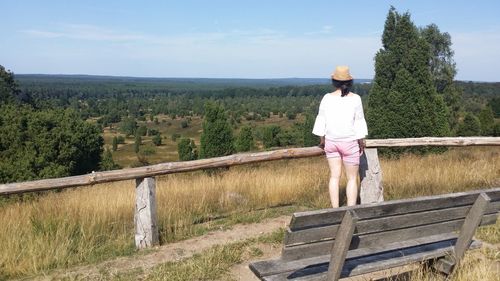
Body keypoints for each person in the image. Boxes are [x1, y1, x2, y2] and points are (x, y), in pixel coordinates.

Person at [312, 66, 368, 208]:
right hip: (350, 143)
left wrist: (322, 140)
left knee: (334, 177)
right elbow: (359, 122)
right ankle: (350, 210)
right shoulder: (356, 99)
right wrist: (361, 141)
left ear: (334, 81)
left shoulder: (327, 98)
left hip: (331, 142)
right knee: (351, 179)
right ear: (350, 82)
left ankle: (335, 210)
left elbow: (321, 120)